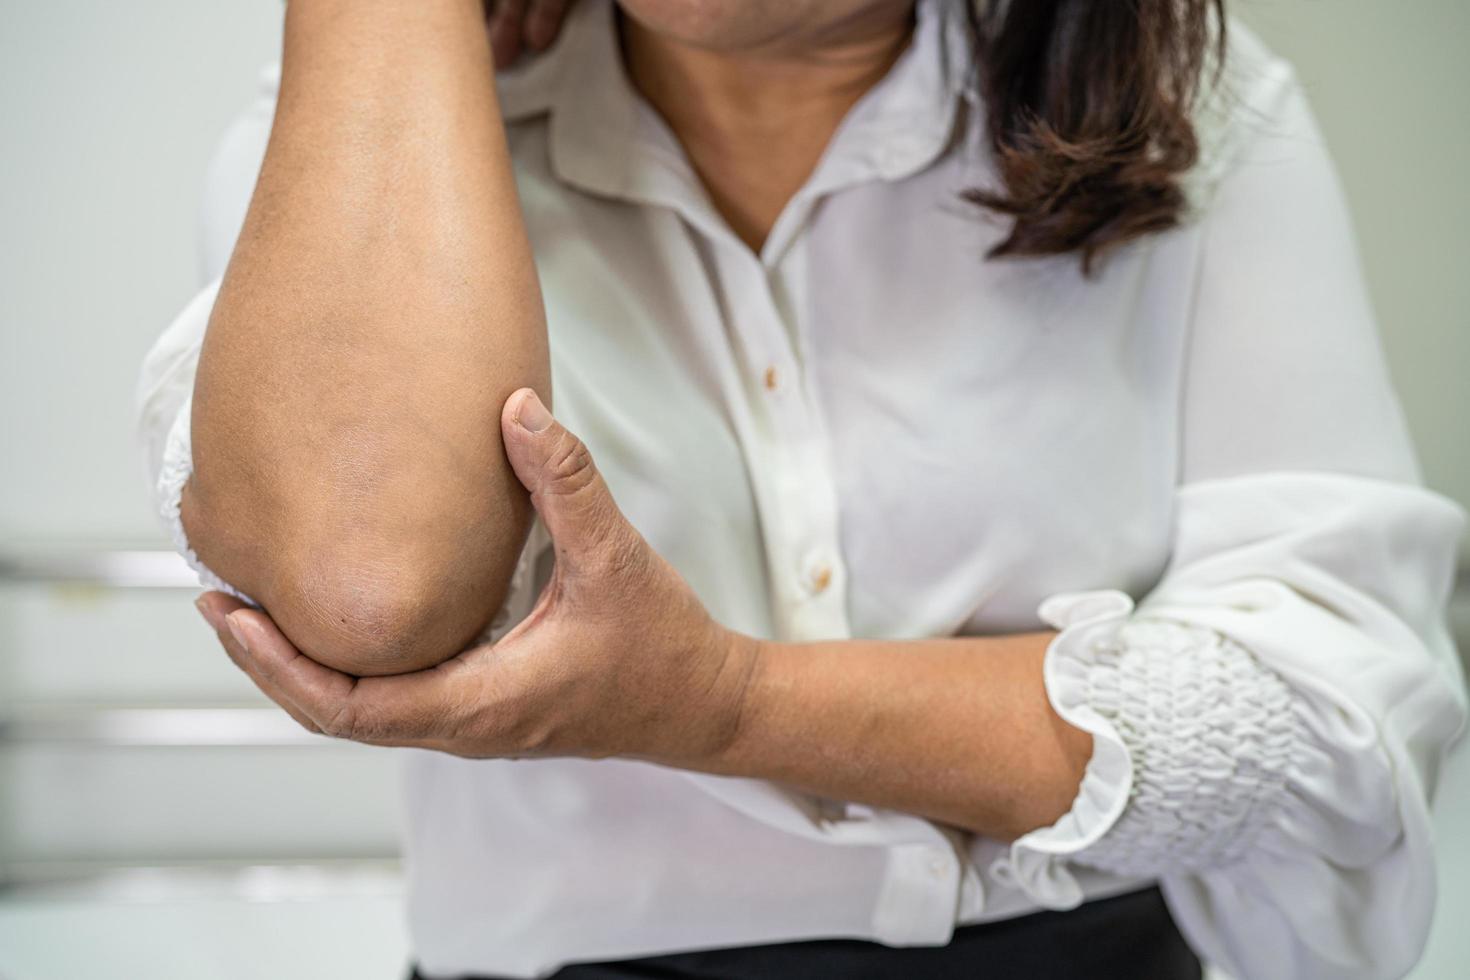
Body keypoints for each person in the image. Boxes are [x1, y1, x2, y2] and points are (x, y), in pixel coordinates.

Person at [134, 0, 1467, 977]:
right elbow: (373, 588)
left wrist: (726, 705)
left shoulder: (1197, 110)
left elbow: (1321, 721)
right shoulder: (363, 134)